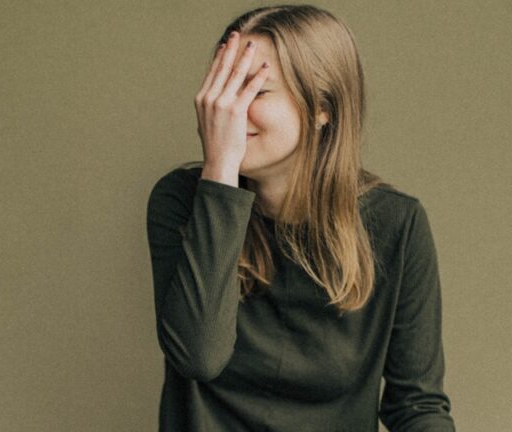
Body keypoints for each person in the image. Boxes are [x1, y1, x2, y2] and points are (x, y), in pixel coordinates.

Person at [146, 4, 456, 431]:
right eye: (223, 88)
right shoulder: (182, 201)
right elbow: (199, 357)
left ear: (321, 108)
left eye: (254, 91)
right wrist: (218, 173)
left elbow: (417, 406)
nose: (229, 112)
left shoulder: (396, 225)